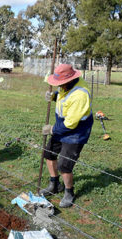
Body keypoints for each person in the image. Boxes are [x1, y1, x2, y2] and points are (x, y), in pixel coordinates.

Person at [40, 64, 93, 208]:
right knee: (49, 153)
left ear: (69, 80)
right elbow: (64, 98)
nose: (59, 86)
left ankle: (69, 192)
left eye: (60, 84)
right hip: (63, 125)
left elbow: (70, 124)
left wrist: (52, 129)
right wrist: (54, 96)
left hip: (76, 131)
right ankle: (54, 184)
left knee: (65, 164)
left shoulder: (80, 95)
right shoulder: (66, 84)